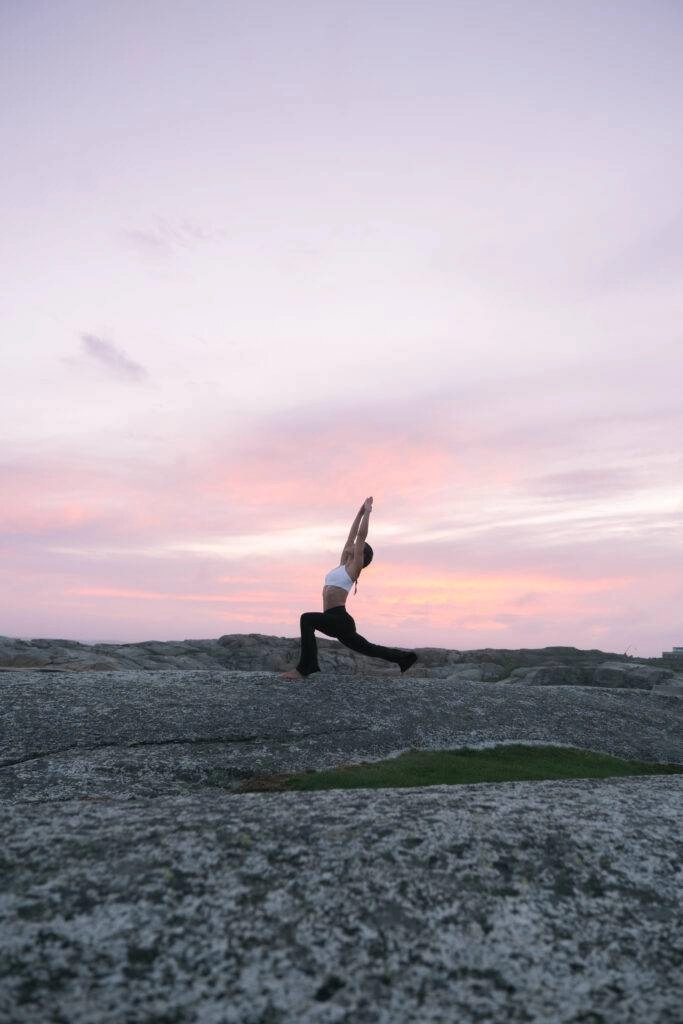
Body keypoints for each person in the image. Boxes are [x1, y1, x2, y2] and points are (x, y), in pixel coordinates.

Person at [281, 497, 418, 679]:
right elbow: (352, 535)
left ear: (360, 554)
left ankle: (305, 668)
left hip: (340, 619)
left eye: (355, 547)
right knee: (368, 648)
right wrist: (359, 513)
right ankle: (405, 658)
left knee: (307, 619)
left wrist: (368, 512)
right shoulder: (342, 565)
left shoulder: (354, 569)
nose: (351, 545)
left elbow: (360, 536)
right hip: (333, 618)